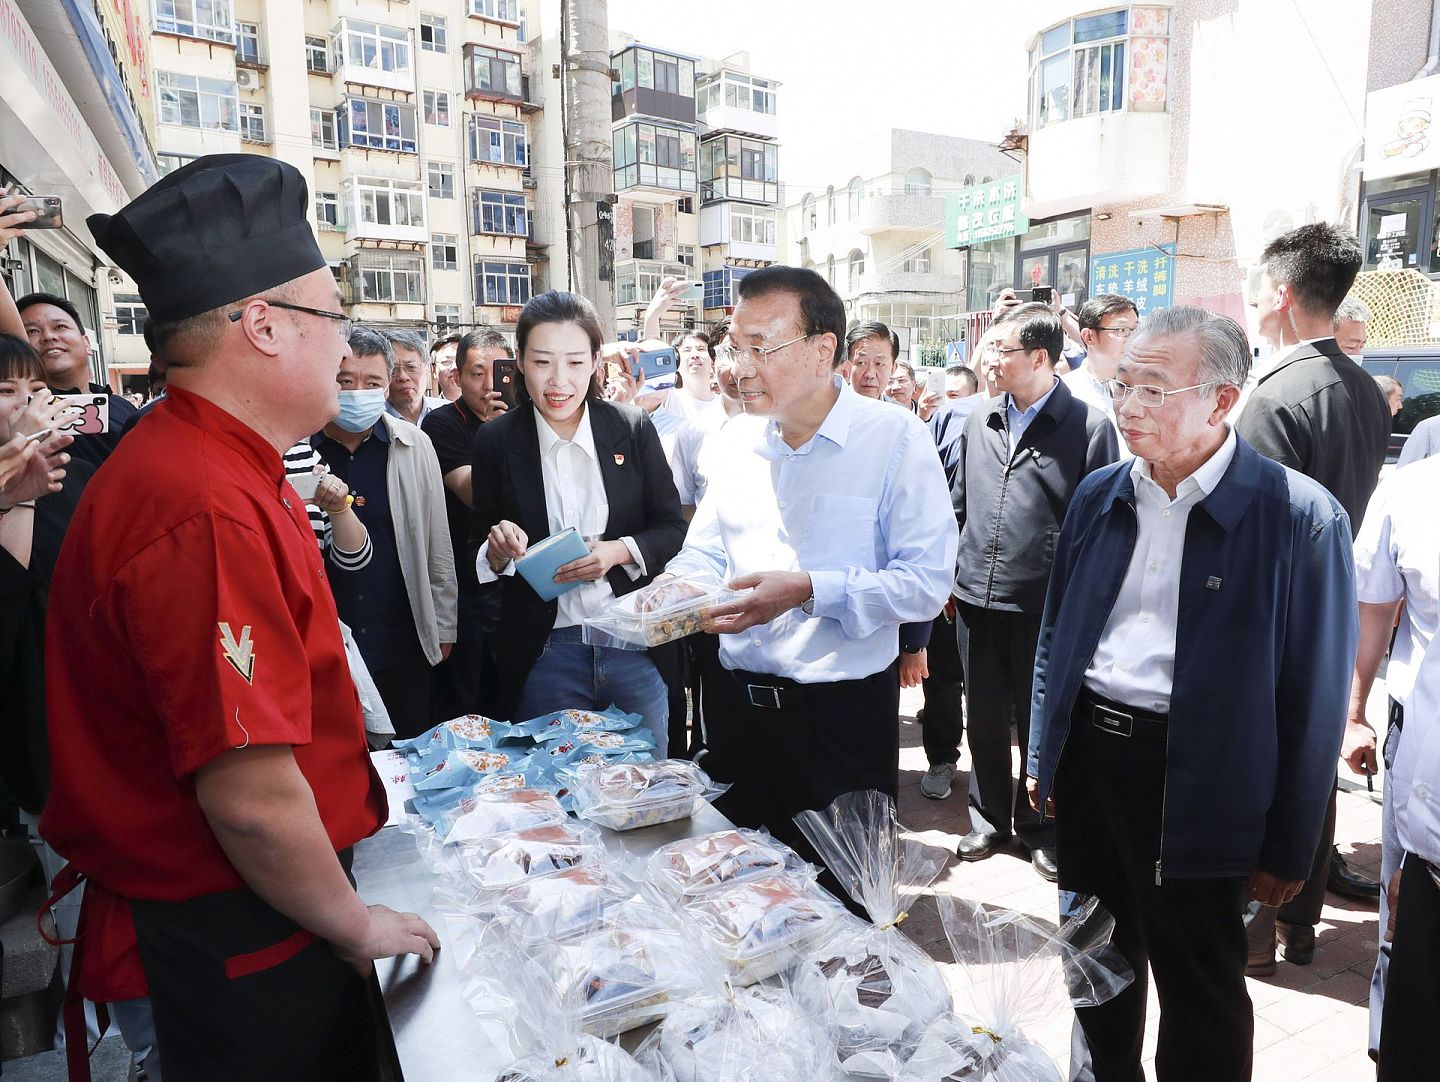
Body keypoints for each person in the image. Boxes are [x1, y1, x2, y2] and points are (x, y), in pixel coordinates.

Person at [42, 153, 438, 1082]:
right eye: (333, 319)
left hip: (249, 905)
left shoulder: (218, 461)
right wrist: (354, 922)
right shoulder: (201, 502)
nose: (349, 353)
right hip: (236, 923)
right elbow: (251, 799)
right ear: (262, 325)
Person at [1027, 306, 1357, 1082]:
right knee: (1096, 963)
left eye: (1153, 389)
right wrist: (1046, 751)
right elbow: (1058, 634)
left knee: (1201, 988)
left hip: (1203, 780)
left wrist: (1290, 845)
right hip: (1094, 764)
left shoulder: (1298, 517)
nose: (1129, 407)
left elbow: (1316, 702)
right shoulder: (1102, 493)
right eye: (1123, 385)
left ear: (1221, 399)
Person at [657, 266, 957, 894]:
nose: (738, 367)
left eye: (760, 347)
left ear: (825, 350)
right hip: (736, 713)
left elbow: (925, 582)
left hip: (839, 723)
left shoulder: (893, 438)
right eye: (734, 346)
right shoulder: (734, 440)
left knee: (844, 910)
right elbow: (705, 553)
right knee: (741, 903)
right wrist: (672, 594)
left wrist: (810, 589)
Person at [1240, 221, 1391, 970]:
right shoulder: (1364, 387)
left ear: (1283, 292)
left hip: (1275, 615)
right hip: (1335, 606)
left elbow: (1257, 535)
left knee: (1271, 763)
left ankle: (1259, 927)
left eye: (1257, 283)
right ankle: (1300, 922)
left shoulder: (1276, 395)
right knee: (1312, 763)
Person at [472, 291, 686, 748]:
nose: (558, 380)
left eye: (573, 362)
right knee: (557, 795)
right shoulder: (495, 441)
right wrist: (496, 549)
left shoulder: (632, 428)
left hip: (633, 646)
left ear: (595, 362)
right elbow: (479, 544)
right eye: (543, 361)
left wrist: (619, 551)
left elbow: (672, 528)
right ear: (521, 364)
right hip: (545, 653)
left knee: (644, 790)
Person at [949, 302, 1118, 881]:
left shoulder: (1089, 427)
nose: (989, 360)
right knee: (986, 715)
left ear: (1040, 357)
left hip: (1044, 605)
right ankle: (990, 817)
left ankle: (1043, 825)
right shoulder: (979, 418)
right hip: (976, 594)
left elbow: (1099, 526)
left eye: (1001, 350)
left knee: (1041, 718)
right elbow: (961, 502)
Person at [312, 327, 457, 738]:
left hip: (401, 640)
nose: (358, 392)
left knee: (406, 760)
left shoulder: (414, 445)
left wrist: (444, 628)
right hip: (327, 644)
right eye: (345, 381)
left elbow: (436, 543)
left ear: (387, 384)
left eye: (372, 382)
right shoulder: (300, 448)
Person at [1345, 451, 1440, 1065]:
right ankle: (1388, 1034)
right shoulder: (1412, 492)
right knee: (1404, 933)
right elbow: (1374, 606)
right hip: (1424, 759)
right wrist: (1353, 711)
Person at [422, 328, 512, 719]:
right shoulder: (441, 425)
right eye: (477, 373)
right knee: (470, 697)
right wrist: (496, 435)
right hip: (466, 586)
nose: (490, 384)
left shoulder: (532, 419)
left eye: (501, 372)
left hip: (521, 581)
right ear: (456, 378)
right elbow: (473, 494)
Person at [18, 291, 139, 469]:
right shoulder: (25, 413)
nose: (48, 337)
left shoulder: (120, 405)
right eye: (32, 331)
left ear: (87, 344)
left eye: (60, 327)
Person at [1063, 294, 1140, 423]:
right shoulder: (1065, 392)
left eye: (1136, 330)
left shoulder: (1148, 390)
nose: (1133, 339)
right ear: (1089, 337)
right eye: (1122, 330)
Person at [384, 328, 448, 426]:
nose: (403, 377)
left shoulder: (449, 414)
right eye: (393, 369)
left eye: (411, 367)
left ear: (427, 369)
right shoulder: (374, 422)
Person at [843, 321, 899, 400]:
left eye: (879, 364)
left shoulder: (899, 411)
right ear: (846, 366)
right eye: (861, 363)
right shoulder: (828, 409)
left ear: (893, 369)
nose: (870, 375)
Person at [430, 333, 461, 400]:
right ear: (434, 370)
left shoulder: (486, 408)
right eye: (446, 362)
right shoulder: (431, 410)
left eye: (459, 360)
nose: (455, 367)